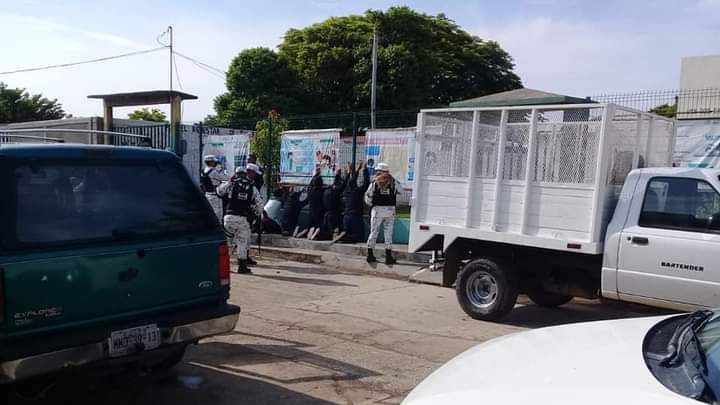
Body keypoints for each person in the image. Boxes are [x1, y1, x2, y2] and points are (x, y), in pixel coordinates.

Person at [217, 165, 263, 274]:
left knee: (227, 242)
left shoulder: (231, 184)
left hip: (229, 218)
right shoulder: (252, 187)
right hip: (243, 219)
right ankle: (242, 267)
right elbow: (260, 205)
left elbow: (219, 192)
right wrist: (256, 214)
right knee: (242, 242)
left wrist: (229, 182)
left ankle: (224, 266)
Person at [364, 162, 401, 264]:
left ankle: (370, 255)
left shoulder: (374, 183)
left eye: (377, 171)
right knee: (388, 233)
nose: (376, 172)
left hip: (377, 211)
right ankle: (388, 257)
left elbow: (368, 196)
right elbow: (400, 191)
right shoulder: (393, 182)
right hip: (390, 211)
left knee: (374, 232)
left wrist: (372, 204)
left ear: (380, 171)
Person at [341, 161, 370, 243]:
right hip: (356, 217)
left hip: (346, 216)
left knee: (349, 233)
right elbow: (366, 183)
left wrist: (351, 172)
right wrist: (364, 169)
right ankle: (348, 237)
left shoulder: (346, 192)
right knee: (360, 237)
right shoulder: (358, 191)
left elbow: (348, 182)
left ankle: (345, 236)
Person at [199, 155, 228, 223]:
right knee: (218, 216)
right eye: (214, 162)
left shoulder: (204, 171)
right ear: (211, 162)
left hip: (207, 195)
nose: (215, 163)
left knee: (210, 214)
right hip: (215, 196)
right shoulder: (213, 171)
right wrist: (220, 169)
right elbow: (225, 178)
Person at [322, 169, 346, 240]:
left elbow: (337, 183)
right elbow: (343, 186)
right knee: (335, 227)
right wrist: (347, 174)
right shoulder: (336, 192)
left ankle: (332, 234)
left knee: (328, 228)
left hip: (327, 214)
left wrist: (337, 175)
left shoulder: (326, 191)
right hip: (335, 213)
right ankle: (335, 235)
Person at [307, 168, 325, 240]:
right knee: (319, 224)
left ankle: (311, 231)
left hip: (311, 211)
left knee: (312, 224)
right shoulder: (321, 191)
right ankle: (316, 233)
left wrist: (316, 175)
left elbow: (310, 184)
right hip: (319, 211)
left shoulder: (310, 190)